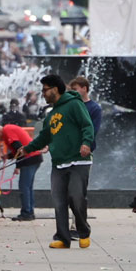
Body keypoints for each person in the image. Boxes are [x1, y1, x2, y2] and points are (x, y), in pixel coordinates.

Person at [20, 74, 95, 250]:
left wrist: (86, 142)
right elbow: (44, 137)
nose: (43, 93)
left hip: (78, 160)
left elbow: (87, 125)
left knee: (76, 197)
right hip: (59, 162)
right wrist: (26, 149)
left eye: (46, 90)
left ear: (56, 89)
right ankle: (63, 237)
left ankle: (83, 232)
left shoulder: (75, 104)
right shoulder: (51, 115)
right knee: (59, 201)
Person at [0, 122, 36, 220]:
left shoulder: (7, 130)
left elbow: (19, 149)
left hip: (29, 158)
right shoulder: (9, 129)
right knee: (28, 187)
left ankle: (26, 213)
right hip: (34, 157)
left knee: (24, 186)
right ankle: (30, 211)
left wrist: (18, 166)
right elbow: (18, 151)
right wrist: (7, 156)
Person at [68, 76, 102, 149]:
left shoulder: (95, 108)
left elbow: (94, 130)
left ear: (84, 88)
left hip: (84, 148)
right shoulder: (69, 106)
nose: (72, 92)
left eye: (75, 89)